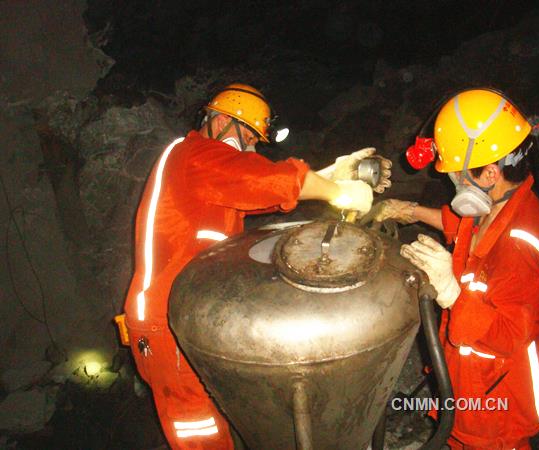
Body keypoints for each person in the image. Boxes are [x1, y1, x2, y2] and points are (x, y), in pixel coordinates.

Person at [118, 83, 389, 450]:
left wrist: (332, 174)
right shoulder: (193, 154)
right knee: (196, 428)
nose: (248, 147)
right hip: (165, 318)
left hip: (192, 313)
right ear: (219, 121)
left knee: (216, 413)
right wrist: (333, 192)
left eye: (254, 141)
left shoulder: (211, 176)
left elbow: (260, 191)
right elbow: (259, 179)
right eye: (246, 135)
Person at [363, 89, 539, 449]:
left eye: (456, 176)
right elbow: (462, 227)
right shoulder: (496, 204)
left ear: (489, 172)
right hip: (468, 380)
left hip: (495, 404)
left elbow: (508, 336)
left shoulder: (520, 246)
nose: (452, 184)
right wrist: (408, 211)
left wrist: (452, 293)